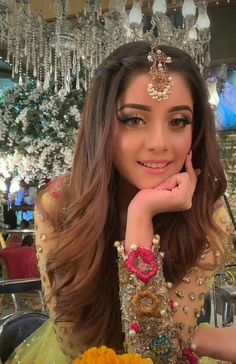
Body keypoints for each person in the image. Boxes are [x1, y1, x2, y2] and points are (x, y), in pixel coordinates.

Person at [7, 41, 235, 364]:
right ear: (103, 127)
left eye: (178, 121)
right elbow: (78, 350)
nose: (159, 143)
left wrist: (140, 217)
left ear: (195, 131)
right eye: (133, 119)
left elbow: (156, 356)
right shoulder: (60, 203)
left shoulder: (208, 212)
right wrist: (199, 337)